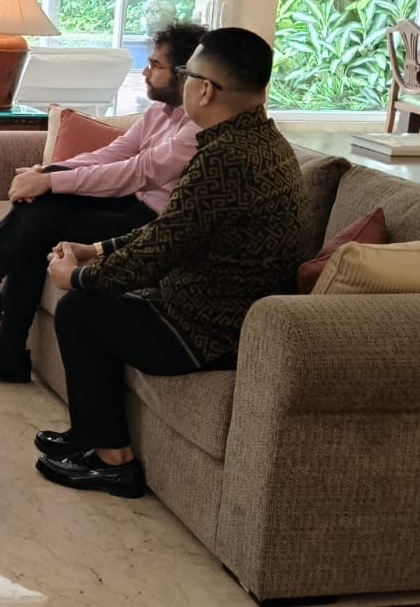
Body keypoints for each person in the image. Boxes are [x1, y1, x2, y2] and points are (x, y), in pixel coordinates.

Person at [33, 27, 305, 499]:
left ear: (206, 89)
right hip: (216, 308)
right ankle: (89, 435)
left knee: (81, 310)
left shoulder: (225, 158)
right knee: (94, 297)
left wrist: (78, 276)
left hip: (207, 329)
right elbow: (173, 231)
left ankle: (113, 461)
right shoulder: (260, 140)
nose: (181, 82)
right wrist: (96, 250)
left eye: (187, 73)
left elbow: (160, 251)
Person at [0, 23, 207, 382]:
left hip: (151, 225)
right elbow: (112, 153)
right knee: (41, 210)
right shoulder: (159, 112)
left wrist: (49, 180)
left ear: (184, 74)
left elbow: (136, 172)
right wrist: (46, 173)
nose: (144, 72)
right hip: (129, 204)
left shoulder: (197, 129)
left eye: (154, 65)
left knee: (40, 221)